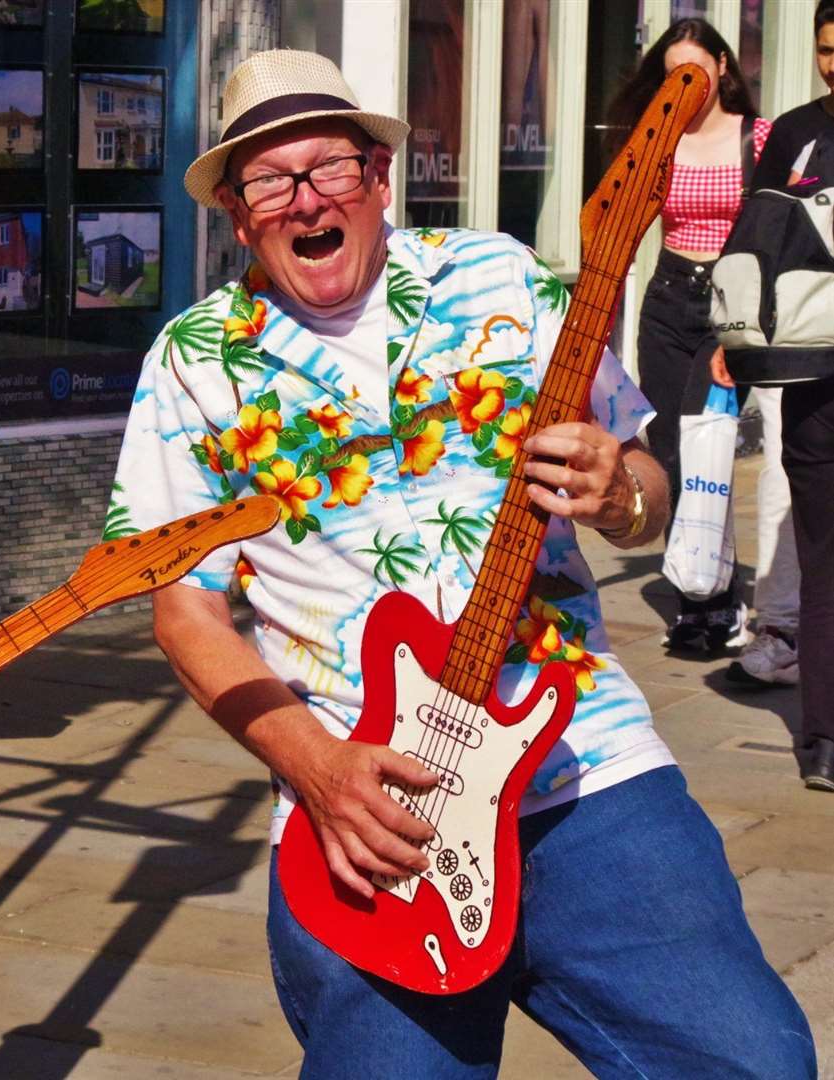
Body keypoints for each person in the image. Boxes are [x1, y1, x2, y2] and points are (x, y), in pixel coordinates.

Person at [107, 49, 815, 1076]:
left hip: (587, 769)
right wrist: (314, 766)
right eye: (268, 178)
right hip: (368, 811)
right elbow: (185, 615)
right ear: (233, 211)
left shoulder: (499, 278)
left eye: (331, 167)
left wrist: (620, 494)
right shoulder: (191, 361)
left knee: (753, 1061)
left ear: (378, 178)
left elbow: (643, 485)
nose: (304, 197)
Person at [606, 18, 769, 653]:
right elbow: (621, 215)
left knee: (710, 444)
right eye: (674, 74)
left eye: (695, 73)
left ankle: (719, 598)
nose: (686, 87)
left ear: (722, 68)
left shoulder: (759, 138)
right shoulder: (660, 136)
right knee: (671, 446)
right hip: (668, 298)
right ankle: (696, 598)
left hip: (728, 308)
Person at [741, 0, 834, 786]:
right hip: (813, 378)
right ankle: (824, 741)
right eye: (827, 49)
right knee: (823, 556)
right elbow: (754, 238)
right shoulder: (794, 131)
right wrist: (732, 337)